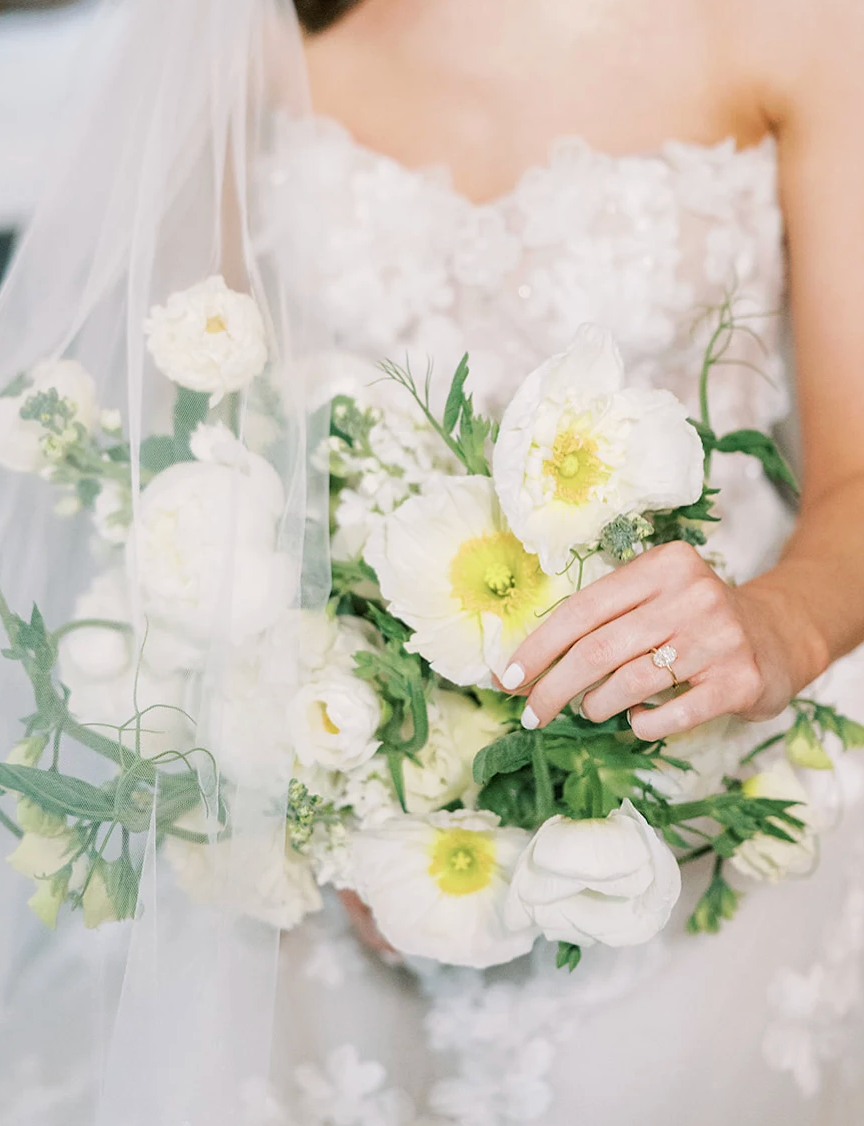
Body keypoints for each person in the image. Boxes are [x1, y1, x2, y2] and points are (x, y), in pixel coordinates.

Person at [0, 1, 862, 1124]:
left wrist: (778, 626)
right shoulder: (252, 30)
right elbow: (207, 455)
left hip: (723, 806)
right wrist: (319, 800)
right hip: (339, 868)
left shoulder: (802, 23)